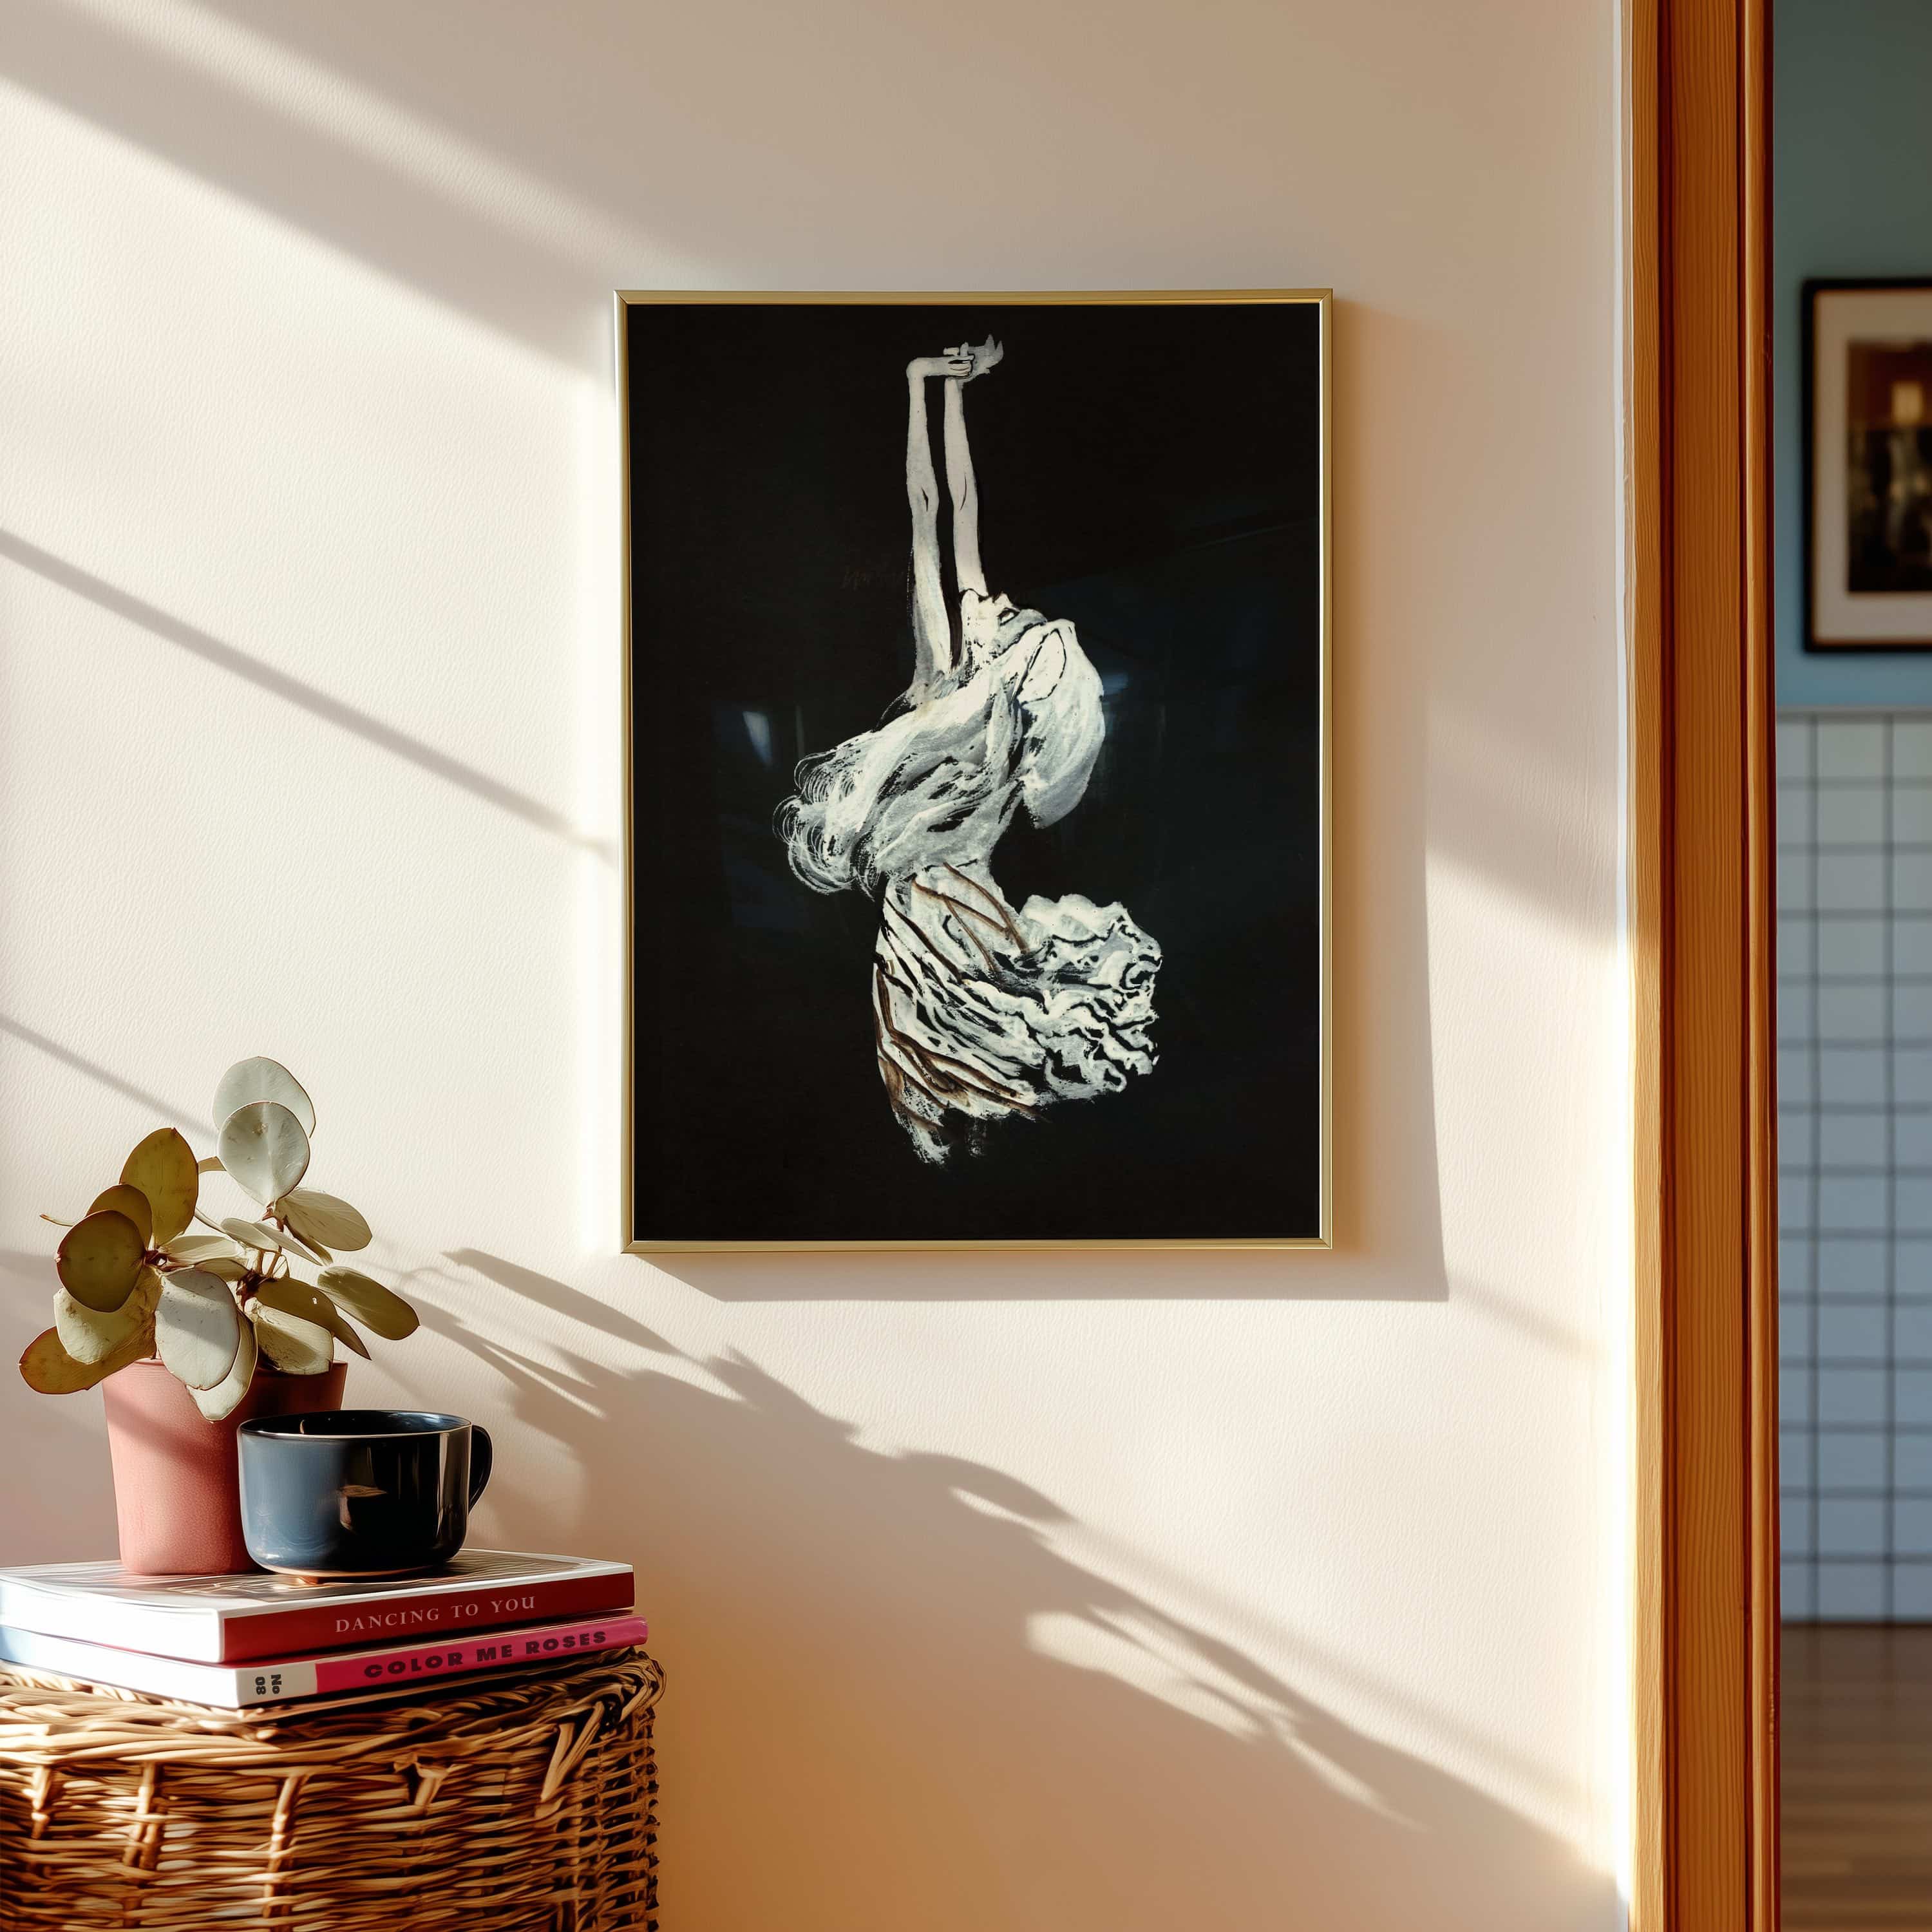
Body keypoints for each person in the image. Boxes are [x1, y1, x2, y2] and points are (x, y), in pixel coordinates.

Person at [777, 338, 1160, 1164]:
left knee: (965, 1036)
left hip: (945, 898)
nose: (996, 597)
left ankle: (970, 1122)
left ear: (1012, 659)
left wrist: (935, 388)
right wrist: (936, 390)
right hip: (943, 897)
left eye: (1006, 613)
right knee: (958, 1038)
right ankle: (962, 1117)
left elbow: (942, 513)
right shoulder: (948, 684)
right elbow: (940, 504)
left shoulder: (971, 701)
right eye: (1003, 605)